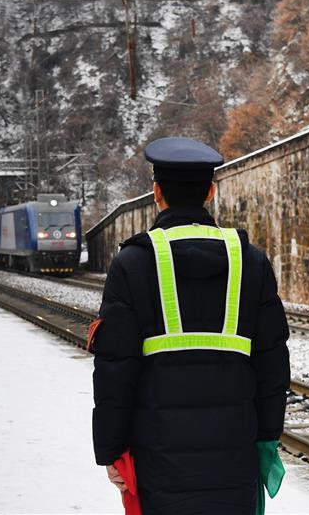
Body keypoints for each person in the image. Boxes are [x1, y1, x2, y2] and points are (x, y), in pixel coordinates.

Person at [89, 137, 290, 514]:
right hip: (235, 456)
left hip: (158, 461)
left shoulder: (133, 263)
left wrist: (112, 449)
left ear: (156, 192)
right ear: (210, 192)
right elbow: (273, 363)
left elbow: (115, 369)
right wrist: (266, 439)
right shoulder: (251, 261)